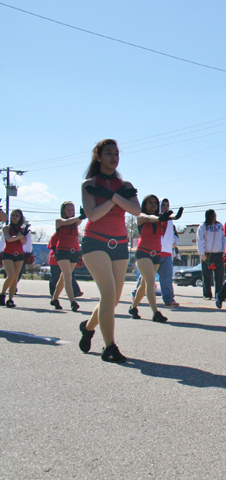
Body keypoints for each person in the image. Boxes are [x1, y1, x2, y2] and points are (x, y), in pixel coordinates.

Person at [77, 139, 141, 363]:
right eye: (109, 153)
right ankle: (110, 347)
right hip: (95, 242)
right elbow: (92, 215)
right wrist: (117, 201)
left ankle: (87, 327)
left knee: (113, 300)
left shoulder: (125, 185)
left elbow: (136, 210)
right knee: (107, 294)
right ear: (98, 156)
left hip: (120, 244)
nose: (114, 157)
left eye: (116, 153)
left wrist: (112, 196)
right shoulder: (88, 184)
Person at [129, 194, 174, 323]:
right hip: (143, 253)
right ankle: (155, 312)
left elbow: (168, 218)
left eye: (155, 203)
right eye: (150, 203)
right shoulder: (141, 217)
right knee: (150, 282)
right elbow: (150, 218)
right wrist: (161, 217)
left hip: (156, 253)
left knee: (144, 284)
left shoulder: (161, 219)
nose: (153, 205)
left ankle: (133, 308)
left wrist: (176, 216)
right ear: (145, 205)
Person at [53, 201, 85, 312]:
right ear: (63, 210)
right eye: (68, 209)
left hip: (74, 251)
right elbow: (67, 221)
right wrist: (79, 216)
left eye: (72, 209)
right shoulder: (59, 221)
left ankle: (54, 299)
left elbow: (78, 220)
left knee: (64, 277)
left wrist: (83, 215)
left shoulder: (75, 222)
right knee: (68, 276)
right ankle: (72, 301)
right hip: (62, 251)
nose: (70, 212)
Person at [1, 209, 30, 308]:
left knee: (15, 278)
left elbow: (23, 242)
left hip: (19, 255)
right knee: (11, 275)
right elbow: (9, 239)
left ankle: (10, 299)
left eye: (17, 215)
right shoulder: (6, 228)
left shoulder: (21, 229)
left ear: (20, 218)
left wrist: (22, 234)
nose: (14, 217)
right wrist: (21, 235)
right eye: (13, 215)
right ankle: (2, 294)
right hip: (7, 254)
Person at [197, 209, 225, 300]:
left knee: (219, 276)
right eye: (213, 215)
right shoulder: (203, 226)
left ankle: (219, 294)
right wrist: (202, 253)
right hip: (207, 254)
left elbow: (224, 239)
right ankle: (207, 294)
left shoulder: (220, 226)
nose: (215, 216)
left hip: (219, 254)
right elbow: (199, 240)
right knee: (206, 275)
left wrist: (224, 251)